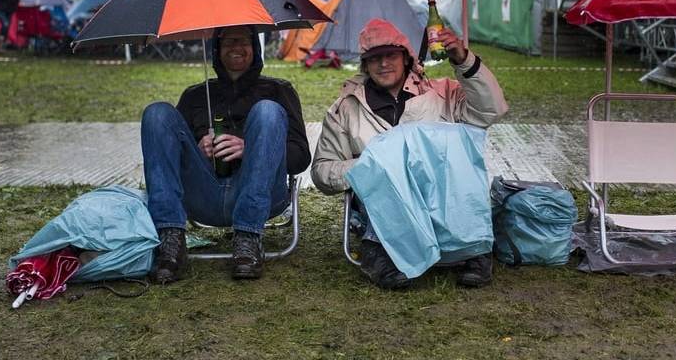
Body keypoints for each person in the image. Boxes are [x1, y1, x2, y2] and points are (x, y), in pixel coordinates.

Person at [311, 18, 508, 289]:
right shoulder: (346, 109)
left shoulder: (443, 94)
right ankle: (379, 251)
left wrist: (463, 60)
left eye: (390, 55)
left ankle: (474, 249)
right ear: (365, 65)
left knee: (452, 153)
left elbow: (491, 110)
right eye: (374, 58)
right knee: (387, 165)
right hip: (384, 200)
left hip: (442, 193)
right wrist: (373, 166)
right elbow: (322, 170)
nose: (383, 64)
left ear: (406, 57)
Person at [141, 25, 310, 283]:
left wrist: (250, 149)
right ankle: (171, 239)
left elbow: (300, 158)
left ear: (255, 48)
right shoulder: (195, 95)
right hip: (204, 194)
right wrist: (197, 150)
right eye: (229, 41)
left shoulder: (279, 91)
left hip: (261, 196)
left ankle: (248, 239)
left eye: (244, 41)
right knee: (156, 113)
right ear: (216, 50)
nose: (237, 47)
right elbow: (170, 153)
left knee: (267, 111)